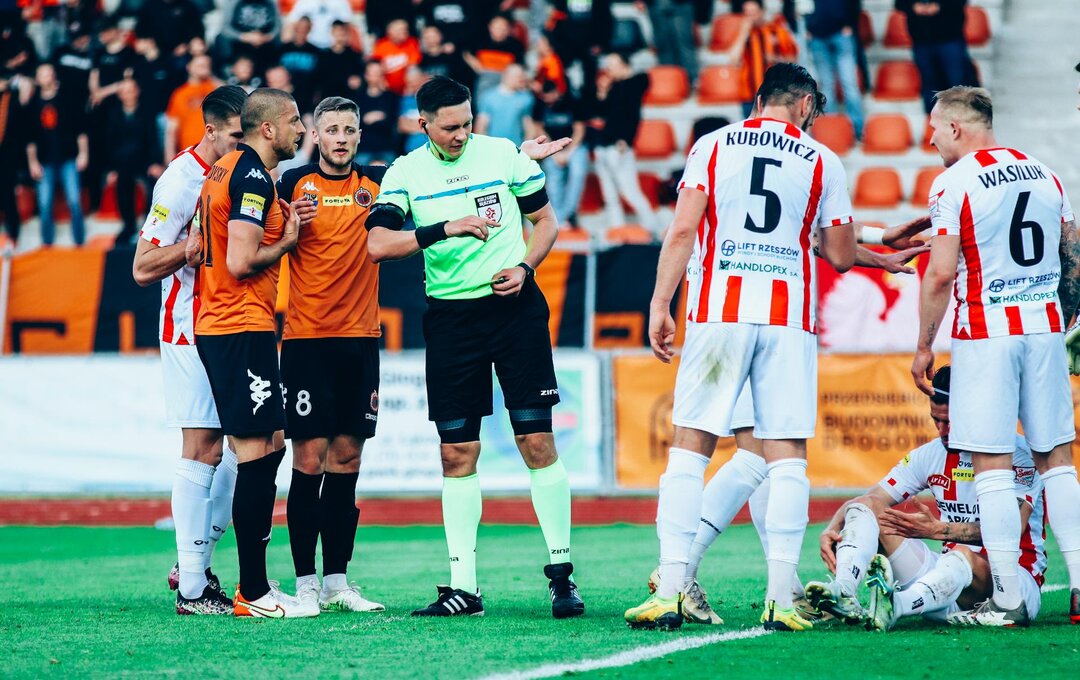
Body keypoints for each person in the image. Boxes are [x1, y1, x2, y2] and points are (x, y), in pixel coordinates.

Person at [625, 64, 856, 631]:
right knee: (786, 456)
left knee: (690, 448)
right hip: (787, 318)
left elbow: (683, 230)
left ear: (759, 100)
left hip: (719, 313)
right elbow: (840, 253)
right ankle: (782, 599)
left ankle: (670, 589)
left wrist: (660, 303)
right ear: (805, 105)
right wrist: (871, 243)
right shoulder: (823, 160)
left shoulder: (713, 144)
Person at [365, 75, 584, 619]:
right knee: (456, 452)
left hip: (515, 311)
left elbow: (545, 222)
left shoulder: (504, 155)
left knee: (536, 441)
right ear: (423, 124)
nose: (461, 134)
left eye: (466, 123)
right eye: (449, 127)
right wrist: (445, 228)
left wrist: (525, 266)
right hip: (451, 320)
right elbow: (377, 244)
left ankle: (562, 578)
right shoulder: (404, 173)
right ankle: (464, 587)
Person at [913, 85, 1080, 626]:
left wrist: (924, 345)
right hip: (1044, 328)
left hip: (986, 332)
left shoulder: (953, 182)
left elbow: (941, 273)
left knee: (990, 465)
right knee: (1057, 460)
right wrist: (1061, 321)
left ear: (956, 127)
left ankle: (1007, 597)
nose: (931, 139)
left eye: (934, 129)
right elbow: (1073, 256)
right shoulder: (1045, 173)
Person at [187, 87, 316, 618]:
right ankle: (254, 593)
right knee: (256, 451)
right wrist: (287, 241)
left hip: (236, 325)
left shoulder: (227, 169)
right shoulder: (252, 177)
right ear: (268, 128)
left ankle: (255, 586)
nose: (301, 130)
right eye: (294, 120)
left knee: (271, 442)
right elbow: (240, 262)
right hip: (237, 325)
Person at [807, 367, 1046, 630]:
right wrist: (832, 528)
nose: (943, 431)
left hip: (1010, 589)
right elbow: (870, 499)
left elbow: (1011, 528)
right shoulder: (930, 455)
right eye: (936, 420)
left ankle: (897, 605)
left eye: (950, 422)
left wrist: (937, 530)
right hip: (943, 584)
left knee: (962, 555)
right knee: (867, 507)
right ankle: (844, 591)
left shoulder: (1020, 455)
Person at [132, 85, 247, 615]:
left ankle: (193, 564)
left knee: (257, 443)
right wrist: (189, 248)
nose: (244, 145)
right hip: (189, 329)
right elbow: (142, 266)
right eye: (236, 136)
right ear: (211, 130)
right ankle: (194, 586)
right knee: (203, 446)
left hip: (232, 325)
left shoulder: (239, 171)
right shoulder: (180, 180)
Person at [275, 97, 388, 614]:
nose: (341, 138)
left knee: (348, 458)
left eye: (349, 129)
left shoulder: (379, 184)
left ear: (359, 136)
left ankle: (337, 583)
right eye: (332, 130)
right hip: (307, 340)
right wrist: (288, 227)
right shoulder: (290, 185)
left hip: (361, 339)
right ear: (315, 136)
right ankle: (304, 584)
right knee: (308, 459)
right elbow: (256, 236)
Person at [592, 52, 660, 236]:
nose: (608, 69)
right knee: (609, 194)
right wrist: (602, 93)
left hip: (619, 145)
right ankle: (618, 230)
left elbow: (631, 114)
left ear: (624, 65)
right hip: (602, 145)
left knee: (630, 191)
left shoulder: (634, 83)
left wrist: (625, 140)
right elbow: (601, 113)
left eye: (612, 65)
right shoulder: (613, 87)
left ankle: (653, 228)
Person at [26, 62, 87, 247]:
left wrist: (83, 153)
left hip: (69, 158)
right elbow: (30, 139)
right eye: (43, 74)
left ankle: (79, 241)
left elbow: (80, 129)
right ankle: (47, 244)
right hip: (44, 161)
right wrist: (33, 163)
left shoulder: (67, 98)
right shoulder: (33, 104)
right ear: (37, 79)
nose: (47, 77)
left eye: (50, 73)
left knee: (74, 201)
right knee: (44, 204)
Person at [106, 79, 163, 245]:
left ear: (137, 91)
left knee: (155, 186)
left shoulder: (147, 112)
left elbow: (153, 139)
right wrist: (112, 169)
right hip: (123, 162)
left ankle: (149, 224)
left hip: (145, 160)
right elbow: (110, 143)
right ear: (120, 95)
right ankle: (128, 225)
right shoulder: (114, 114)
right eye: (124, 91)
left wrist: (155, 162)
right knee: (122, 186)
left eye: (131, 90)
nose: (128, 94)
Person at [896, 0, 976, 114]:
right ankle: (932, 119)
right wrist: (914, 6)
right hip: (921, 40)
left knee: (957, 82)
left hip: (950, 38)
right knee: (929, 84)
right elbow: (899, 4)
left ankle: (962, 118)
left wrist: (940, 6)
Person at [525, 81, 587, 230]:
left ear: (557, 92)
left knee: (578, 172)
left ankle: (568, 213)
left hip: (574, 145)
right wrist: (554, 152)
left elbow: (579, 130)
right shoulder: (539, 104)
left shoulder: (572, 102)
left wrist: (567, 153)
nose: (548, 99)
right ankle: (559, 217)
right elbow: (539, 129)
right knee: (553, 180)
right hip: (552, 146)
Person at [805, 0, 865, 139]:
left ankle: (857, 130)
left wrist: (850, 24)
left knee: (849, 84)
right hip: (817, 37)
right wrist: (808, 27)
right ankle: (831, 131)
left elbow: (855, 4)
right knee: (827, 86)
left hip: (840, 33)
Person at [729, 0, 798, 118]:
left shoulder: (776, 31)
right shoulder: (742, 34)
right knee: (750, 128)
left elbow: (794, 59)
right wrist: (743, 34)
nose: (750, 17)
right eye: (747, 13)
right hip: (749, 94)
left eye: (753, 13)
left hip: (774, 93)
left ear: (762, 11)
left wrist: (776, 59)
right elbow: (733, 59)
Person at [165, 55, 219, 163]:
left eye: (207, 65)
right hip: (189, 154)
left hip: (215, 152)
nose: (204, 67)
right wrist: (169, 157)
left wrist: (211, 76)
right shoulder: (180, 94)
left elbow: (229, 92)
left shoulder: (214, 87)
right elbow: (172, 130)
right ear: (189, 67)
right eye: (200, 65)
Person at [352, 61, 399, 165]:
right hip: (364, 149)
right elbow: (356, 123)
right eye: (372, 73)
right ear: (366, 75)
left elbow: (392, 121)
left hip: (386, 147)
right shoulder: (357, 98)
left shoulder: (391, 97)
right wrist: (379, 117)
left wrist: (370, 119)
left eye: (378, 73)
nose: (375, 76)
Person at [475, 64, 532, 145]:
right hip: (493, 146)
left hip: (515, 146)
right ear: (506, 76)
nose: (521, 79)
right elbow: (481, 124)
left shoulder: (526, 98)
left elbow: (528, 125)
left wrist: (526, 147)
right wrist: (481, 145)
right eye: (518, 76)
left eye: (522, 76)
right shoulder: (488, 97)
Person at [371, 19, 422, 97]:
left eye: (405, 29)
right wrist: (380, 82)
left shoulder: (412, 43)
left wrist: (410, 86)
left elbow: (413, 66)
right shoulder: (381, 45)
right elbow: (375, 66)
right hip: (386, 88)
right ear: (390, 32)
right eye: (400, 29)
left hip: (408, 89)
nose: (404, 31)